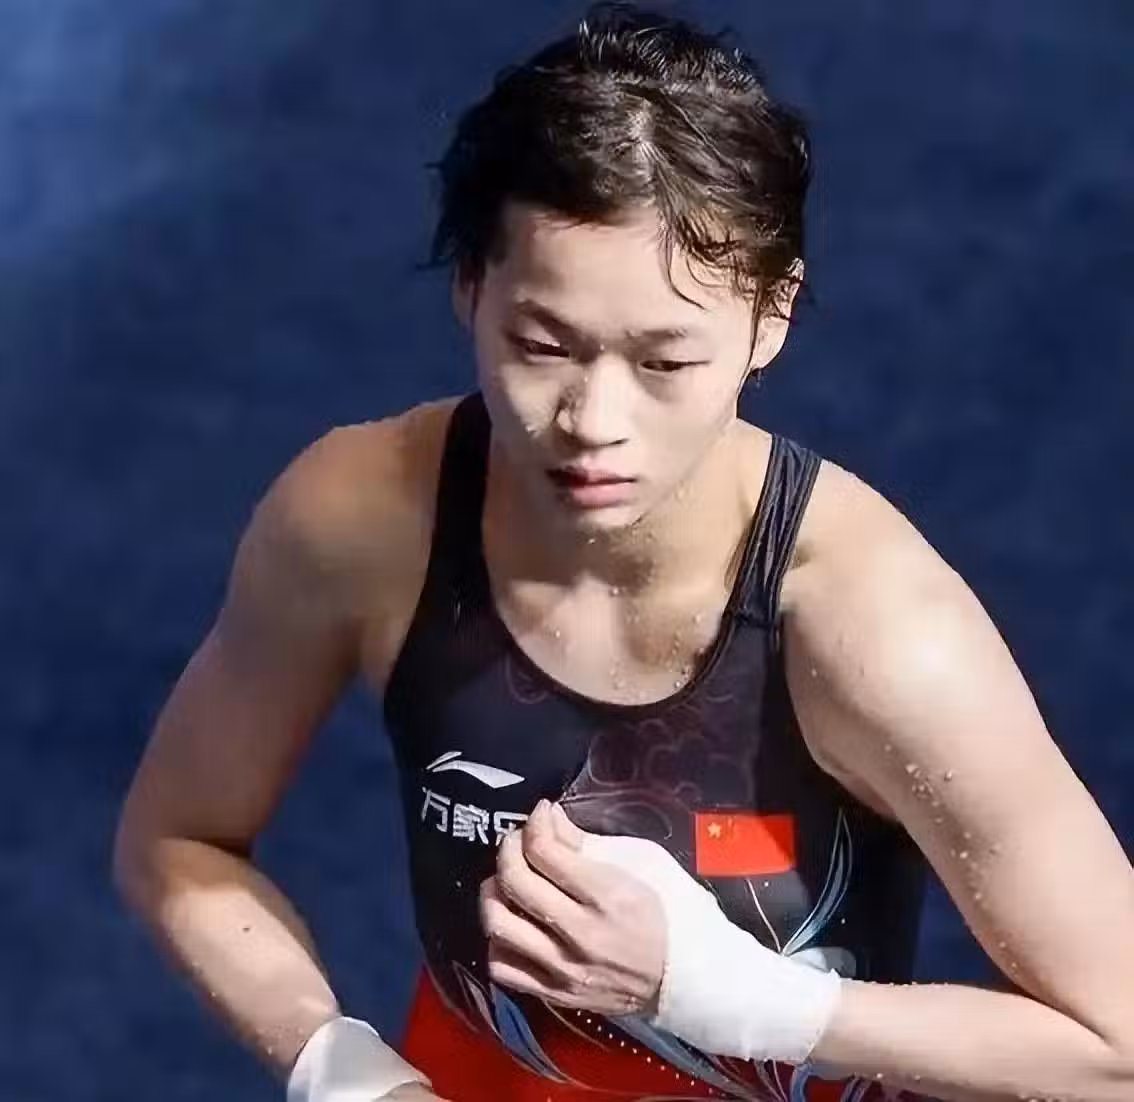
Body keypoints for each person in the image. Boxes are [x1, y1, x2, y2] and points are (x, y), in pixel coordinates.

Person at [113, 5, 1134, 1101]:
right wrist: (340, 1067)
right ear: (470, 288)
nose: (593, 422)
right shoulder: (365, 521)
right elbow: (176, 838)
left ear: (772, 317)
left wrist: (746, 1003)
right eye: (541, 346)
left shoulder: (877, 628)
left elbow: (1118, 1045)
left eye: (665, 363)